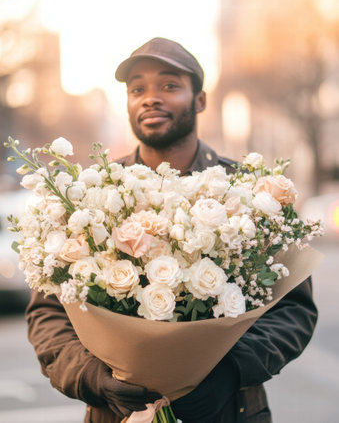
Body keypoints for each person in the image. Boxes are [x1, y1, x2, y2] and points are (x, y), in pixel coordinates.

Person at [26, 38, 318, 423]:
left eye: (169, 85)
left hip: (229, 410)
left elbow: (293, 310)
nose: (150, 98)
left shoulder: (251, 193)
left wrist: (232, 371)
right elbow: (48, 314)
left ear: (199, 100)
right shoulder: (91, 197)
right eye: (137, 89)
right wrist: (93, 377)